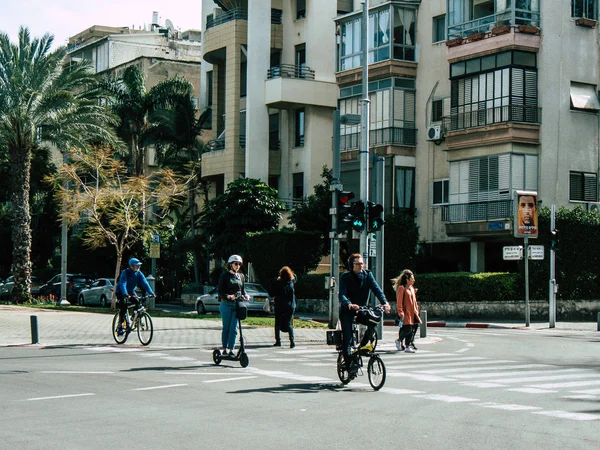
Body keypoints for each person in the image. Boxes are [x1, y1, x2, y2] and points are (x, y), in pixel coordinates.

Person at [339, 253, 390, 374]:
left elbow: (376, 289)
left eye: (362, 263)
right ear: (352, 265)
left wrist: (385, 303)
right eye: (357, 264)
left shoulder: (368, 275)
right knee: (348, 338)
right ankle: (349, 365)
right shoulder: (345, 277)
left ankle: (363, 345)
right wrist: (349, 304)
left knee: (373, 319)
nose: (360, 266)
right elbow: (341, 294)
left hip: (362, 310)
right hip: (348, 311)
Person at [113, 257, 155, 336]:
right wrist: (125, 294)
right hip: (121, 291)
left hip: (131, 291)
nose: (138, 267)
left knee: (137, 302)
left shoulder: (139, 273)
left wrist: (151, 293)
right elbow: (123, 284)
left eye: (139, 266)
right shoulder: (125, 273)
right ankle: (120, 325)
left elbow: (145, 283)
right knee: (123, 306)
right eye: (137, 266)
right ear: (131, 266)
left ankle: (133, 317)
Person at [218, 255, 249, 357]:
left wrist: (245, 295)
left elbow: (243, 290)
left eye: (239, 264)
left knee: (234, 328)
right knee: (226, 327)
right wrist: (228, 296)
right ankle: (224, 349)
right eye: (236, 264)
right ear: (230, 264)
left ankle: (231, 349)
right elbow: (220, 292)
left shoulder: (241, 276)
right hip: (226, 304)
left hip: (237, 305)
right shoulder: (225, 276)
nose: (238, 266)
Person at [392, 269, 421, 353]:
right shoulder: (402, 288)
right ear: (407, 279)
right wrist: (400, 311)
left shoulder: (411, 288)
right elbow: (399, 301)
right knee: (407, 329)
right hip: (406, 312)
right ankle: (399, 340)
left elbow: (414, 300)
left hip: (413, 312)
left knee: (413, 328)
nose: (414, 280)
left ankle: (408, 346)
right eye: (412, 278)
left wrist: (416, 308)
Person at [269, 266, 297, 348]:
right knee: (289, 323)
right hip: (290, 305)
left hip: (280, 305)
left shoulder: (278, 283)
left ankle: (278, 341)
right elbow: (295, 277)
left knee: (277, 323)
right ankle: (292, 341)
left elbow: (271, 292)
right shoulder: (291, 282)